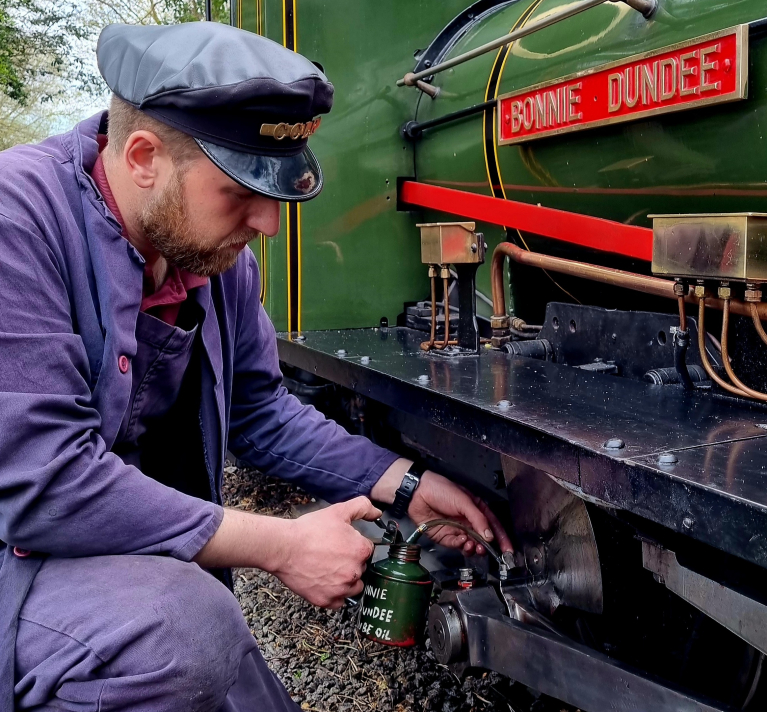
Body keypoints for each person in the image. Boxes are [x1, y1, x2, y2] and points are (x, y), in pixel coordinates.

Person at [0, 21, 513, 712]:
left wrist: (404, 483)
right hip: (16, 549)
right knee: (178, 629)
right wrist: (277, 544)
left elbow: (259, 410)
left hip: (89, 543)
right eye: (239, 194)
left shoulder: (209, 257)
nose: (267, 225)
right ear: (144, 156)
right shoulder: (18, 221)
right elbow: (46, 484)